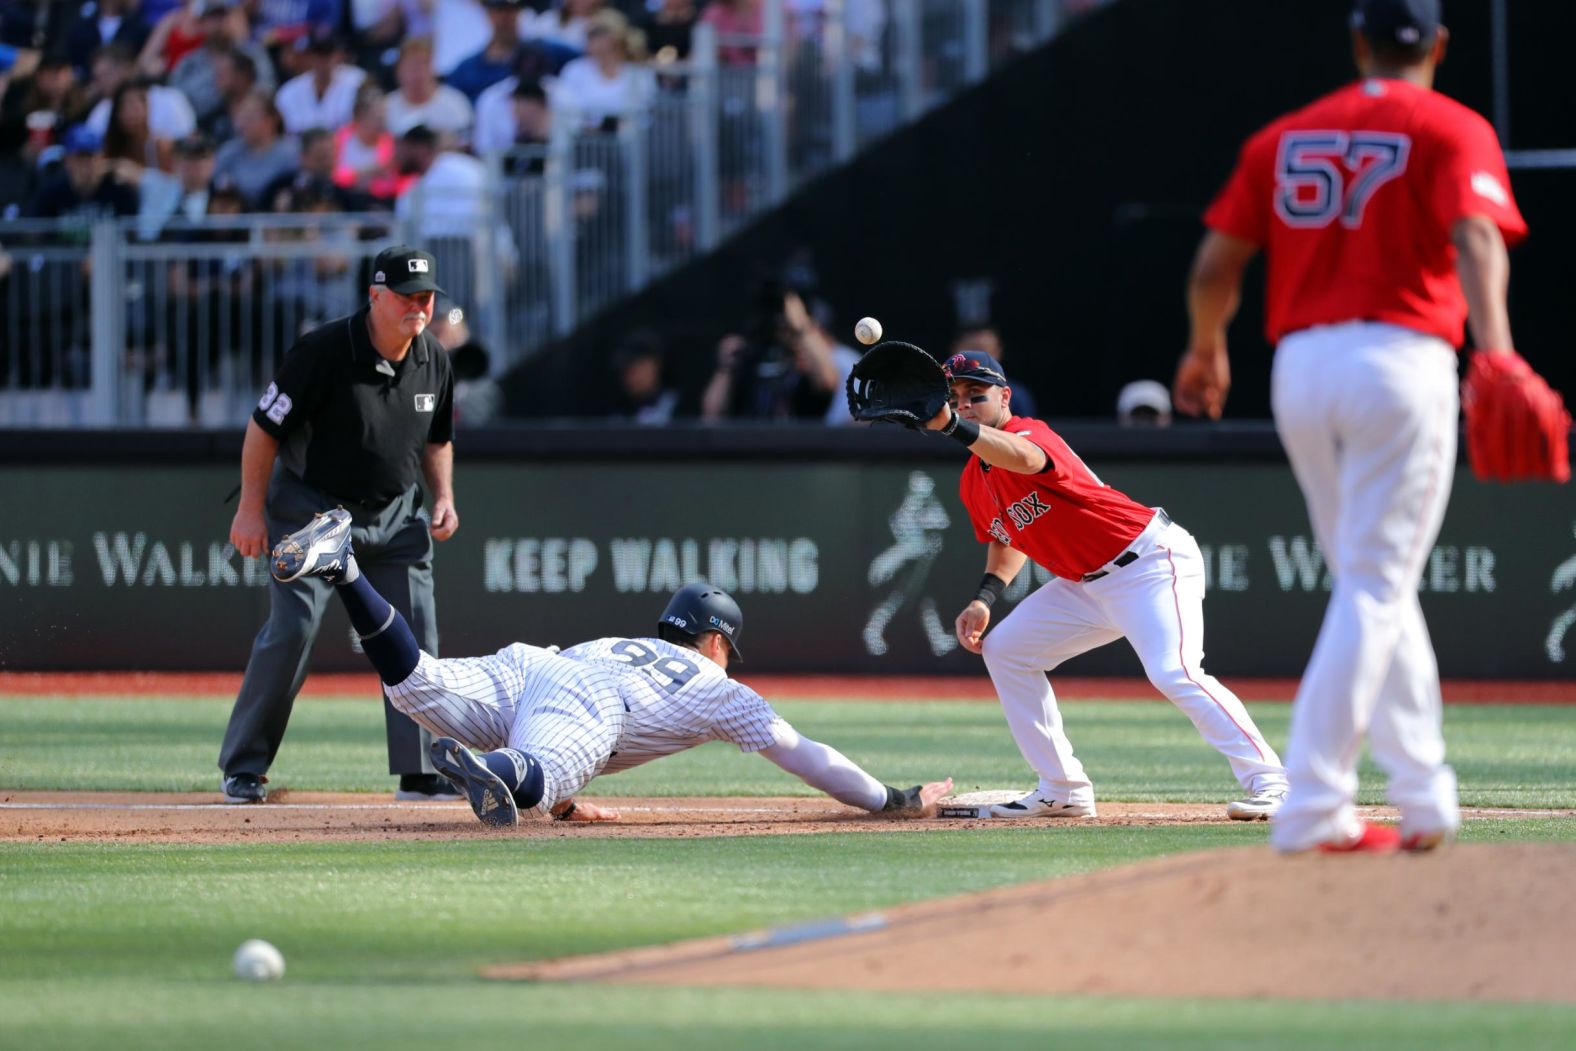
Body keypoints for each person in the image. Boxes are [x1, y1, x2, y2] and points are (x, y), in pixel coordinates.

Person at [1174, 0, 1532, 854]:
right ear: (1439, 45)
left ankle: (1424, 789)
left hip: (1301, 367)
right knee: (1375, 581)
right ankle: (1314, 801)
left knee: (1374, 579)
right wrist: (1502, 355)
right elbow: (1478, 236)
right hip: (1401, 359)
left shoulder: (1286, 135)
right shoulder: (1451, 125)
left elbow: (1215, 263)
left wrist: (1204, 348)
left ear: (1357, 42)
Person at [265, 513, 953, 826]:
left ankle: (346, 567)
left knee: (415, 683)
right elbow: (809, 756)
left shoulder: (632, 640)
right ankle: (498, 771)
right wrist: (890, 797)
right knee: (531, 779)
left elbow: (558, 701)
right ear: (717, 641)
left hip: (540, 665)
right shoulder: (718, 687)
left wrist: (571, 804)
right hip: (594, 701)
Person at [919, 349, 1288, 820]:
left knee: (1174, 671)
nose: (965, 405)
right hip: (1085, 586)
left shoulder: (1027, 433)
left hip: (1149, 562)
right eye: (955, 398)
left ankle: (1274, 783)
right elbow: (1008, 539)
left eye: (977, 395)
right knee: (1007, 648)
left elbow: (1027, 459)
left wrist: (952, 424)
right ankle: (1062, 788)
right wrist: (984, 597)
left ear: (1005, 396)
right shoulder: (974, 479)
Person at [220, 244, 461, 805]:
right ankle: (245, 766)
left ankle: (422, 770)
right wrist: (250, 509)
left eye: (426, 297)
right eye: (406, 296)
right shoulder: (323, 351)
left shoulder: (435, 359)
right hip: (312, 509)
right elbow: (263, 429)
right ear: (375, 295)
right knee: (294, 627)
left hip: (397, 511)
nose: (419, 308)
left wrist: (445, 494)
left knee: (416, 634)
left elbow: (437, 438)